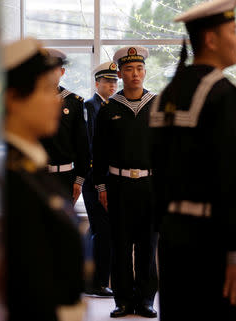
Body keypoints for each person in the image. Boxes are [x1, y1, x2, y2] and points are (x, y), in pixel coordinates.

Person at [149, 0, 236, 320]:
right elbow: (230, 180)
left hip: (171, 239)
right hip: (212, 244)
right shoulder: (222, 94)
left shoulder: (166, 95)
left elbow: (157, 172)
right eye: (232, 31)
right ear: (210, 39)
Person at [3, 37, 86, 321]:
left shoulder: (31, 164)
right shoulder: (12, 179)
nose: (55, 100)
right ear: (13, 98)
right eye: (45, 91)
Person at [93, 46, 158, 318]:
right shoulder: (109, 109)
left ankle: (145, 300)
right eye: (129, 69)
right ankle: (122, 300)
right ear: (120, 73)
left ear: (145, 72)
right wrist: (101, 187)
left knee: (147, 245)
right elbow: (98, 151)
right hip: (118, 187)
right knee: (120, 246)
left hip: (149, 187)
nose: (135, 74)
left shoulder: (156, 105)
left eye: (139, 69)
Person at [82, 61, 118, 297]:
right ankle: (97, 282)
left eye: (115, 82)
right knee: (101, 231)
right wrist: (98, 179)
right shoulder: (90, 106)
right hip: (95, 178)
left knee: (105, 231)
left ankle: (99, 279)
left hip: (110, 177)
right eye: (107, 82)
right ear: (97, 83)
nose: (112, 85)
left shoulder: (114, 107)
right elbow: (89, 146)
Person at [39, 48, 90, 203]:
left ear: (61, 72)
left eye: (53, 69)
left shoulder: (74, 102)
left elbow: (82, 144)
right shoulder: (30, 101)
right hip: (38, 175)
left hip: (65, 176)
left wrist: (79, 179)